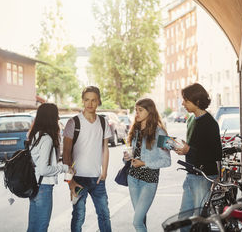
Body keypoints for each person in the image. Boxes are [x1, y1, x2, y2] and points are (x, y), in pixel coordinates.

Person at [62, 86, 112, 232]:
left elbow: (105, 149)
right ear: (83, 101)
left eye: (93, 100)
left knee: (104, 215)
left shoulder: (103, 122)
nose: (90, 104)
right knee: (78, 216)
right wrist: (70, 182)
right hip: (78, 179)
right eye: (87, 100)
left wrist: (104, 172)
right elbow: (66, 154)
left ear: (99, 102)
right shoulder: (73, 123)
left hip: (97, 179)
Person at [174, 83, 222, 223]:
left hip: (203, 177)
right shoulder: (191, 120)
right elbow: (195, 147)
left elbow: (216, 154)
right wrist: (184, 148)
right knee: (183, 220)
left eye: (186, 100)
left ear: (198, 101)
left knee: (199, 221)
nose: (183, 103)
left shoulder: (210, 123)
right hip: (191, 175)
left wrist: (190, 150)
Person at [123, 98, 172, 232]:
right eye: (136, 110)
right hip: (133, 179)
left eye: (140, 110)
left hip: (149, 181)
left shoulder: (160, 132)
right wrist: (127, 158)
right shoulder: (135, 130)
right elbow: (131, 155)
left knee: (137, 221)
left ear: (149, 111)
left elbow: (167, 161)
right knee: (141, 219)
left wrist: (144, 163)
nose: (136, 113)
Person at [27, 103, 73, 232]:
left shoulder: (35, 135)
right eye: (56, 115)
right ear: (51, 118)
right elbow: (44, 169)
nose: (58, 118)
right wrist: (63, 168)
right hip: (43, 187)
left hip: (35, 185)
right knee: (41, 227)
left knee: (33, 227)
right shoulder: (46, 139)